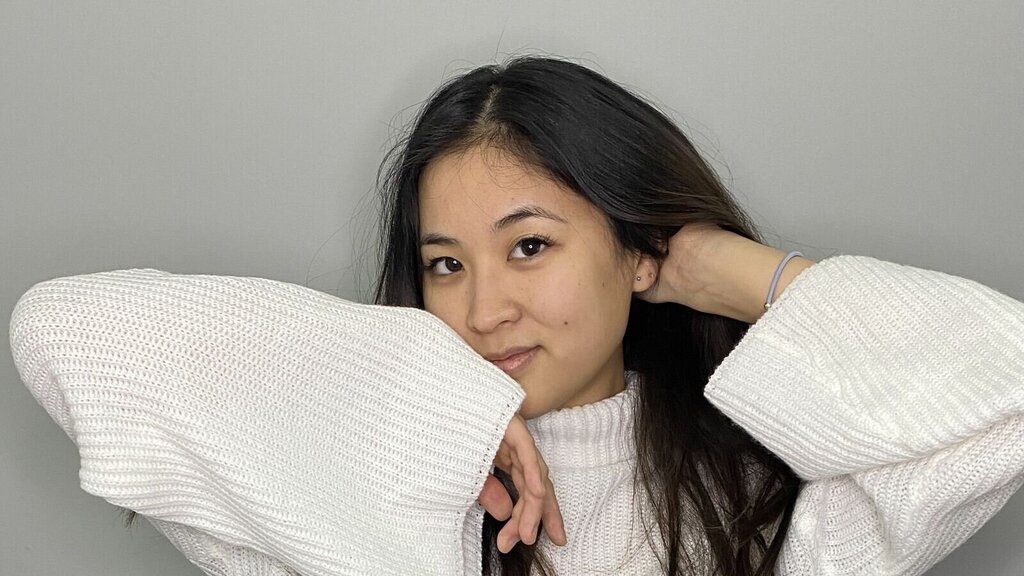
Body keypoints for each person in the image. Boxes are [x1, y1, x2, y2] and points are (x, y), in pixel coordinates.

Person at [10, 55, 1024, 576]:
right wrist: (441, 411)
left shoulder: (755, 501)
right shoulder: (356, 489)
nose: (483, 308)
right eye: (444, 264)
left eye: (530, 246)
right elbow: (62, 334)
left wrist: (730, 272)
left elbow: (1005, 393)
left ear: (635, 251)